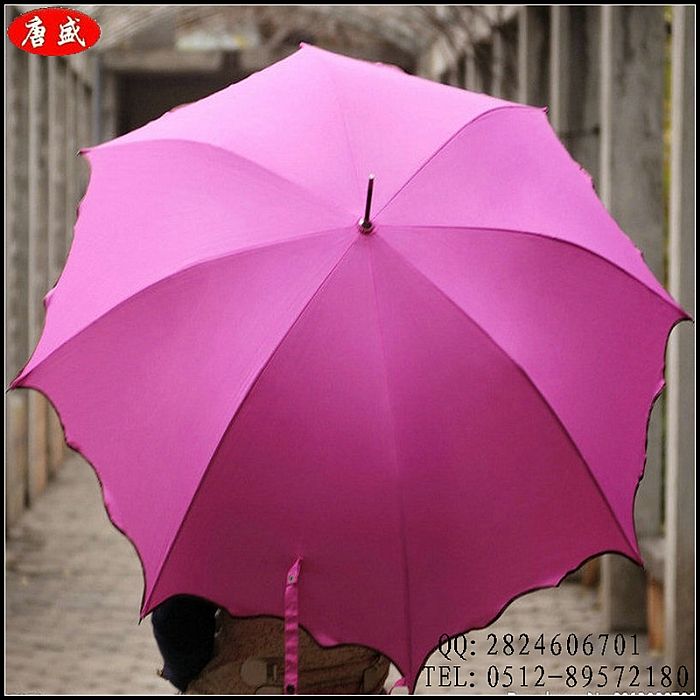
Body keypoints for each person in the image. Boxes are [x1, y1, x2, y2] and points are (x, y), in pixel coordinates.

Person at [152, 595, 391, 694]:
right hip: (358, 684)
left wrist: (187, 677)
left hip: (242, 684)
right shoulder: (392, 517)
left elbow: (173, 620)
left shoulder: (230, 511)